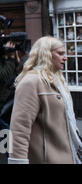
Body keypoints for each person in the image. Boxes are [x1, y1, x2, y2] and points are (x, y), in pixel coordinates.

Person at [8, 36, 82, 164]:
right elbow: (19, 129)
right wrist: (18, 161)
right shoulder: (31, 82)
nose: (65, 57)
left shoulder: (58, 81)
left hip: (68, 156)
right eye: (60, 53)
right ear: (45, 54)